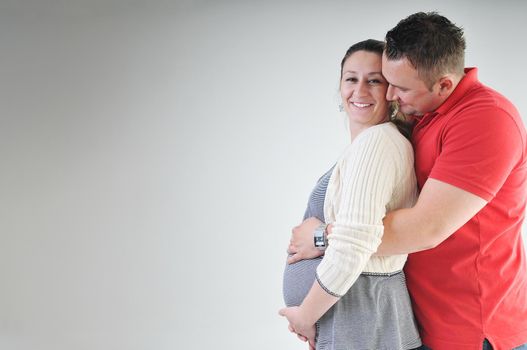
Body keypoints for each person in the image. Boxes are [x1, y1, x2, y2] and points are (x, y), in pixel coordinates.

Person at [288, 12, 527, 350]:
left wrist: (323, 237)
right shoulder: (426, 115)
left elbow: (426, 229)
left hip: (472, 331)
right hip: (425, 320)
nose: (390, 96)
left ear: (444, 84)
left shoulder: (485, 120)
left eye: (398, 87)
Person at [280, 39, 422, 350]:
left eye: (374, 80)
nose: (359, 91)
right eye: (351, 79)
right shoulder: (369, 143)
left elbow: (356, 241)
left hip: (361, 312)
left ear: (391, 91)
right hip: (354, 312)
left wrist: (306, 314)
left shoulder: (378, 142)